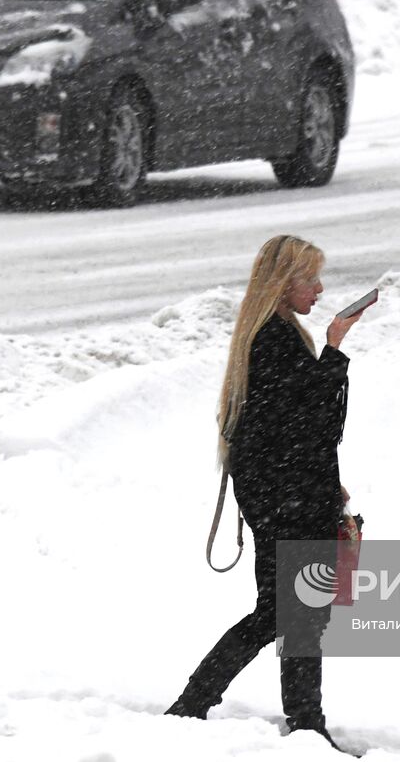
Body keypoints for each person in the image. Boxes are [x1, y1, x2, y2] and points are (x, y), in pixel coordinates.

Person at [166, 235, 368, 755]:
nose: (320, 289)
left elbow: (291, 428)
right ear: (283, 284)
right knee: (285, 613)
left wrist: (328, 482)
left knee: (294, 613)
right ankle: (201, 704)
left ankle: (301, 724)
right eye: (310, 279)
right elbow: (314, 419)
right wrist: (335, 346)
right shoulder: (274, 339)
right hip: (286, 497)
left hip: (287, 491)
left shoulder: (275, 333)